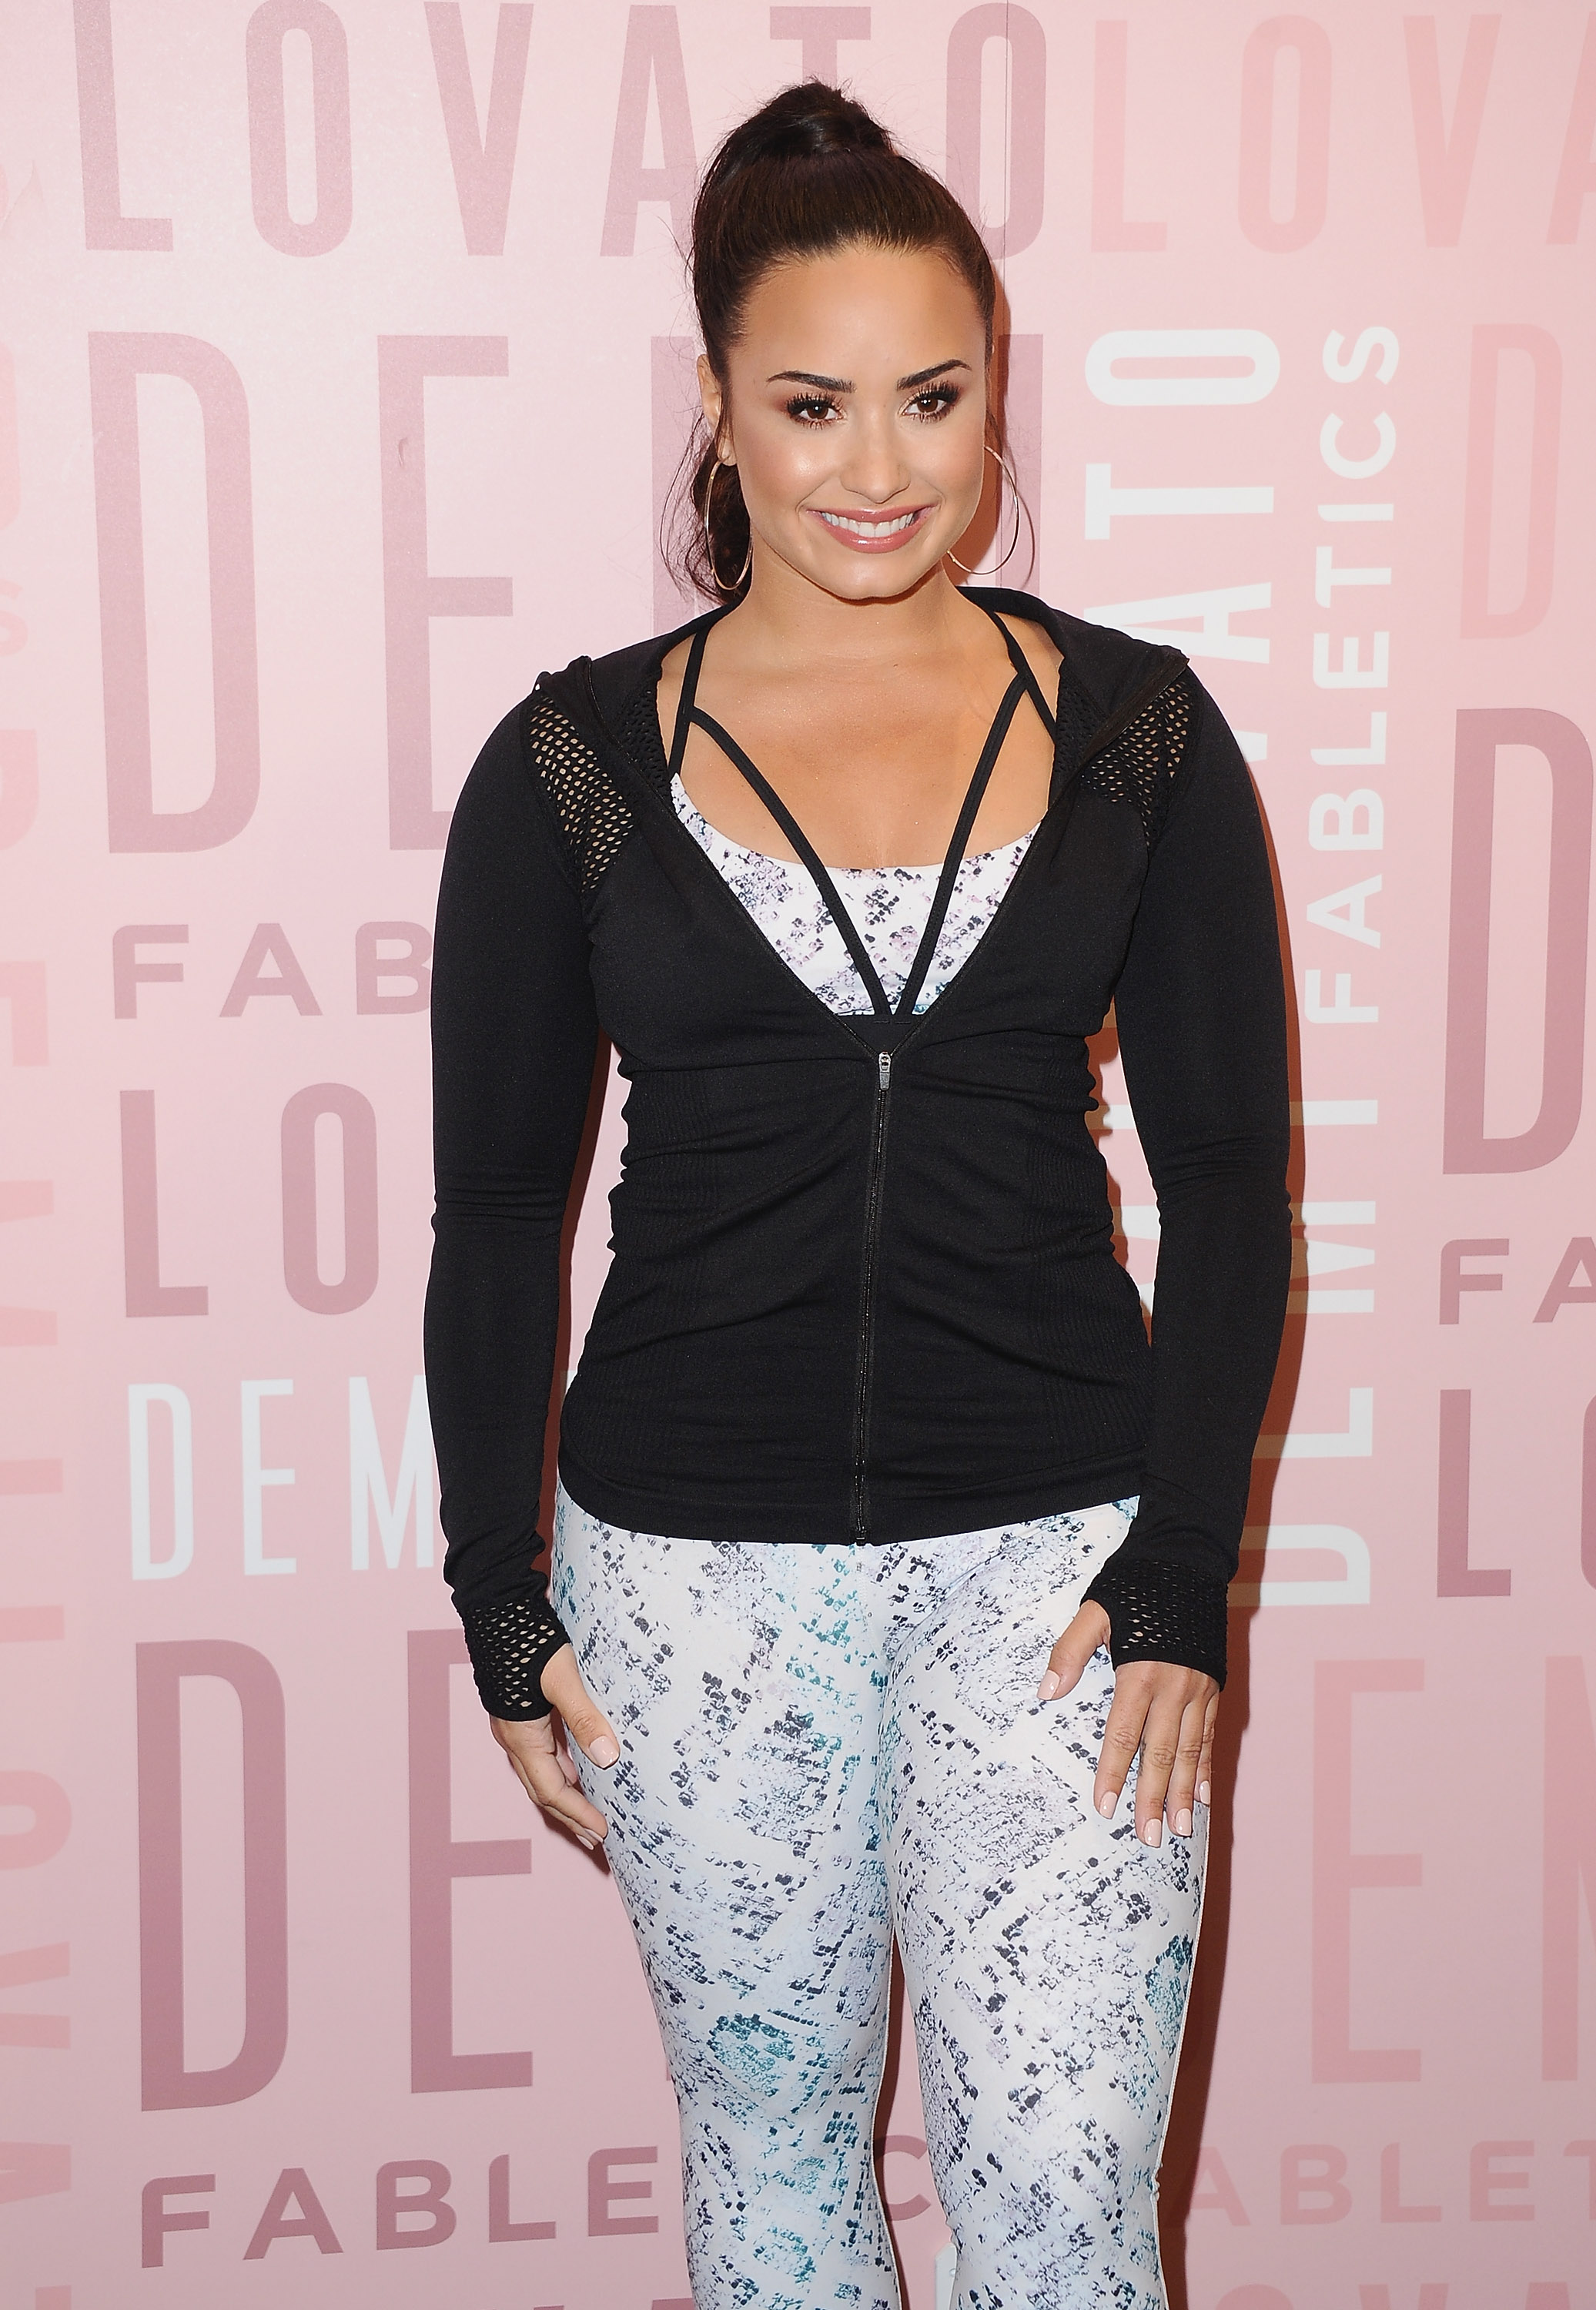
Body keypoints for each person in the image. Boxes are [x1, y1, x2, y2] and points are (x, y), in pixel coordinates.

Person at [424, 81, 1291, 2310]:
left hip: (1066, 1575)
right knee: (778, 2182)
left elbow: (1228, 1182)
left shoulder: (1140, 733)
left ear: (997, 393)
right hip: (685, 1580)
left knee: (1068, 2211)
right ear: (719, 409)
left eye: (934, 396)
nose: (878, 466)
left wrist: (1183, 1573)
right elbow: (498, 1216)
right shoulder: (570, 766)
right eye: (811, 405)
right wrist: (498, 1591)